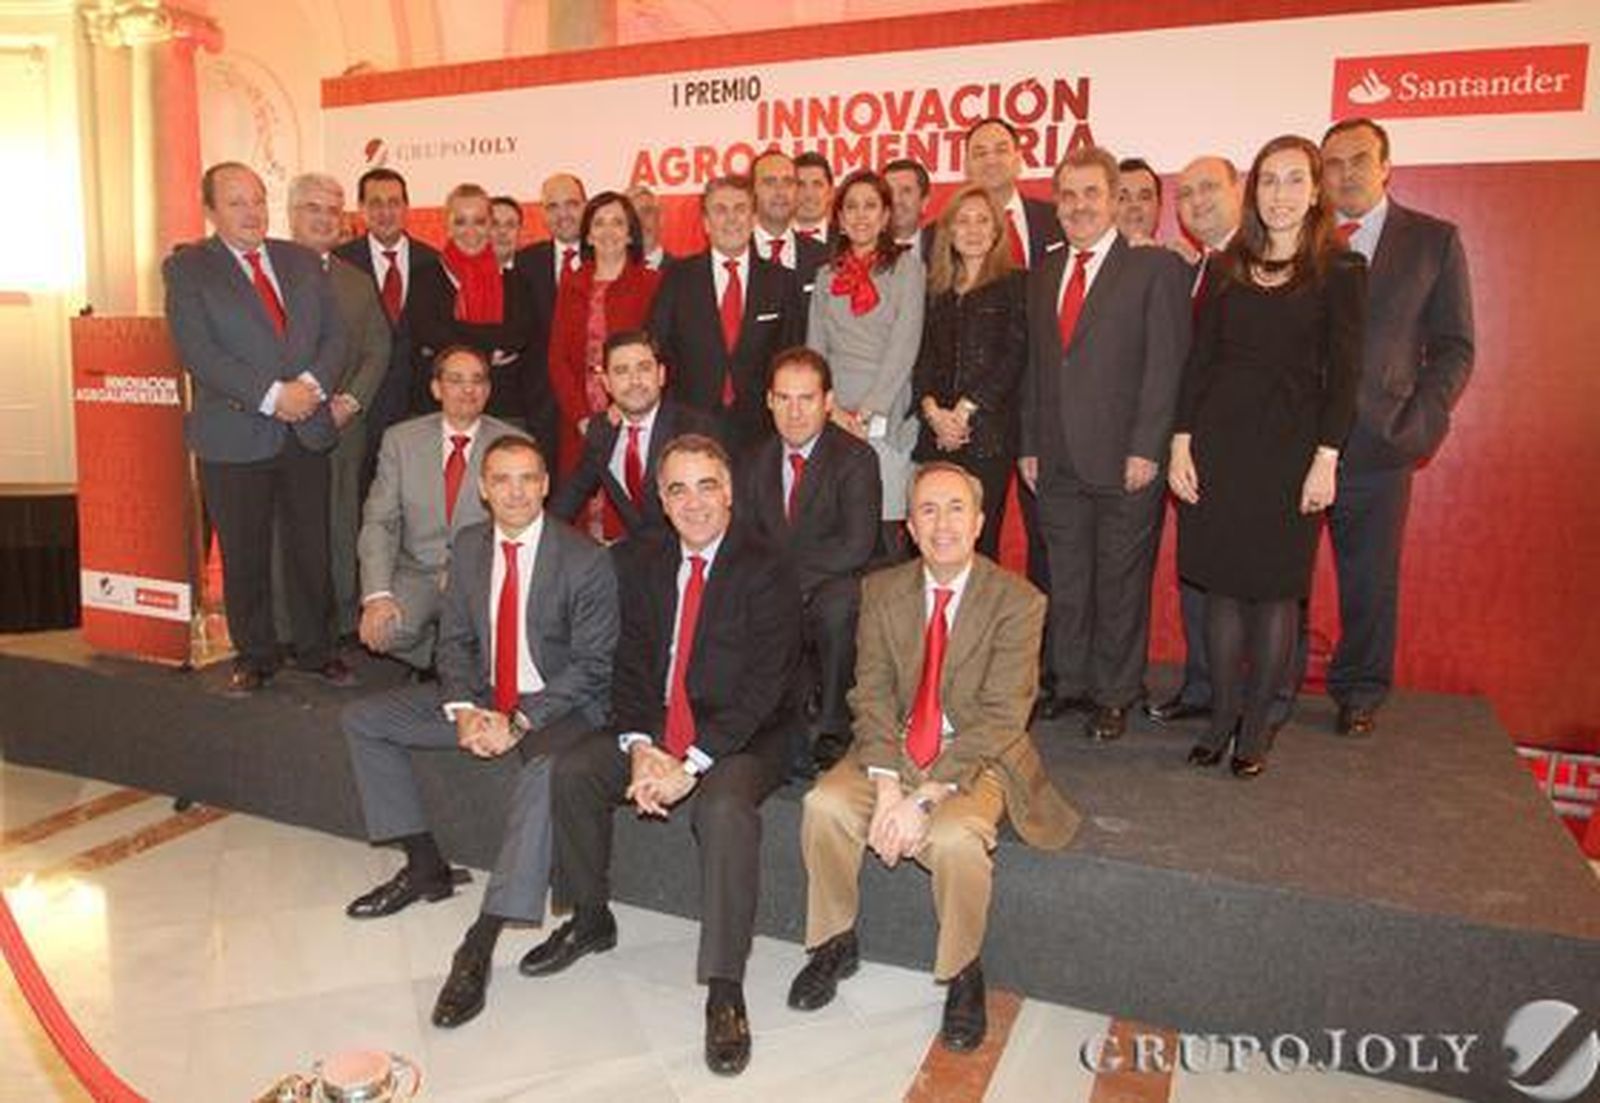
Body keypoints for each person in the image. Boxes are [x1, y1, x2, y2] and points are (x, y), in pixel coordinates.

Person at [525, 434, 802, 1077]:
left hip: (744, 734)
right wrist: (644, 747)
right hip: (661, 729)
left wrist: (692, 763)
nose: (694, 502)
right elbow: (628, 665)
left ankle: (726, 987)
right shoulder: (641, 558)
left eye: (707, 485)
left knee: (726, 809)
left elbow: (766, 686)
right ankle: (590, 917)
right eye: (678, 488)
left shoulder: (768, 564)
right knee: (572, 770)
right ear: (662, 499)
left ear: (729, 492)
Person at [787, 462, 1078, 1052]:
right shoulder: (883, 590)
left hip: (975, 754)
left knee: (952, 838)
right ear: (911, 529)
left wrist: (924, 798)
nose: (941, 524)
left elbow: (1002, 716)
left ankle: (963, 970)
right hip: (892, 746)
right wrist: (889, 786)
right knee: (824, 804)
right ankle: (834, 940)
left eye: (955, 509)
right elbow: (868, 694)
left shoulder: (1019, 601)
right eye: (927, 510)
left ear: (978, 521)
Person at [342, 434, 618, 1029]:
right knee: (365, 720)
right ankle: (423, 865)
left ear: (546, 485)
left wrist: (520, 721)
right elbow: (457, 643)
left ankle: (479, 943)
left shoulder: (586, 559)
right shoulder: (469, 548)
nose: (516, 491)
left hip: (563, 711)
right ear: (484, 490)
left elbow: (594, 668)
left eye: (528, 478)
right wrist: (465, 708)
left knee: (545, 772)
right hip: (486, 700)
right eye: (502, 480)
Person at [1169, 134, 1366, 777]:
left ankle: (1257, 727)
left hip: (1290, 454)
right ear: (1254, 192)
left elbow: (1345, 377)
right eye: (1269, 181)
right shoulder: (1229, 266)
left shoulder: (1341, 270)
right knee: (1221, 591)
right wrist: (1180, 441)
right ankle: (1222, 717)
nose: (1280, 194)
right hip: (1220, 449)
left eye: (1293, 180)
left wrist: (1327, 458)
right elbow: (1200, 365)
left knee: (1275, 596)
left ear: (1315, 191)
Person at [1019, 146, 1190, 742]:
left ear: (1116, 199)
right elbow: (1038, 368)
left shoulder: (1155, 269)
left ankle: (1115, 693)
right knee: (1066, 576)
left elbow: (1165, 368)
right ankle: (1069, 683)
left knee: (1119, 580)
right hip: (1056, 456)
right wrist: (1029, 444)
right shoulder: (1043, 273)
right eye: (1068, 195)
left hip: (1125, 458)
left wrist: (1148, 447)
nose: (1079, 206)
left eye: (1092, 193)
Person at [163, 161, 350, 695]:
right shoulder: (189, 268)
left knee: (310, 548)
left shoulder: (300, 260)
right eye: (236, 202)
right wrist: (273, 397)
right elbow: (198, 351)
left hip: (304, 430)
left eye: (257, 199)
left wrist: (311, 387)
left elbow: (336, 336)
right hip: (236, 433)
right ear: (211, 211)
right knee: (244, 554)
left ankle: (317, 650)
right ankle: (256, 655)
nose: (251, 212)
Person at [1318, 118, 1475, 738]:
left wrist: (1421, 417)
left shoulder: (1432, 241)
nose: (1346, 173)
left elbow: (1456, 345)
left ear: (1386, 166)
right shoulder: (1302, 240)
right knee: (1279, 579)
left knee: (1369, 578)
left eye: (1359, 159)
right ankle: (1270, 685)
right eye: (1333, 163)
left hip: (1378, 443)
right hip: (1293, 442)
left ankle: (1360, 688)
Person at [736, 347, 881, 774]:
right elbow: (744, 538)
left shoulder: (856, 458)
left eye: (806, 399)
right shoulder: (752, 461)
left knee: (836, 608)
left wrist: (785, 582)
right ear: (769, 401)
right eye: (784, 398)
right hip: (779, 582)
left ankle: (833, 728)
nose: (794, 412)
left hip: (839, 578)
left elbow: (856, 545)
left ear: (828, 402)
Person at [963, 116, 1063, 703]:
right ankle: (974, 663)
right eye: (980, 152)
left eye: (1002, 149)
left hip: (1049, 409)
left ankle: (1046, 667)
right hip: (983, 423)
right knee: (981, 539)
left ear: (1020, 157)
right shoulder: (942, 234)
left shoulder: (1054, 220)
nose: (992, 159)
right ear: (969, 164)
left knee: (1051, 543)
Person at [1146, 155, 1246, 727]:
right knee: (1198, 573)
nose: (1197, 201)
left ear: (1238, 191)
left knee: (1247, 581)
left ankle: (1251, 702)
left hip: (1240, 448)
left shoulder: (1258, 264)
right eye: (1184, 194)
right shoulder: (1196, 267)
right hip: (1191, 448)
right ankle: (1205, 686)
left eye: (1209, 188)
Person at [357, 347, 519, 670]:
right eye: (455, 380)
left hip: (480, 574)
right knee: (385, 631)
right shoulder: (400, 441)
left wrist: (465, 572)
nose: (468, 390)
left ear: (488, 390)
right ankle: (437, 657)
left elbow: (519, 525)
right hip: (416, 571)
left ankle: (456, 658)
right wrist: (377, 596)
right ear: (436, 388)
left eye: (477, 381)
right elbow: (380, 521)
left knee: (498, 641)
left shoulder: (513, 444)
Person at [286, 172, 392, 640]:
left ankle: (340, 624)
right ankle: (288, 628)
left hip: (341, 428)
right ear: (291, 215)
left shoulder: (356, 283)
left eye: (333, 210)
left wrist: (350, 402)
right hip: (278, 428)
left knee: (340, 523)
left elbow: (378, 348)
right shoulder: (265, 273)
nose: (325, 218)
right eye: (314, 208)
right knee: (284, 531)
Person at [806, 170, 927, 553]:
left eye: (871, 206)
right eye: (851, 207)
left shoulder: (909, 269)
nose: (861, 215)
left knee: (886, 529)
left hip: (886, 409)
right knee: (839, 527)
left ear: (886, 215)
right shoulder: (826, 277)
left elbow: (904, 347)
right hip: (834, 410)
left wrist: (868, 413)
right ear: (839, 218)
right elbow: (815, 351)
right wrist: (832, 410)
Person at [913, 184, 1027, 560]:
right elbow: (924, 360)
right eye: (963, 221)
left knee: (980, 541)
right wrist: (934, 414)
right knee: (934, 542)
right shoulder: (936, 290)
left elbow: (1014, 356)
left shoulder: (1016, 284)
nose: (974, 229)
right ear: (949, 231)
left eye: (983, 220)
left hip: (987, 437)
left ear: (997, 230)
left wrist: (963, 411)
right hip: (937, 436)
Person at [650, 175, 804, 451]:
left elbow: (793, 354)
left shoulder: (781, 281)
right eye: (720, 210)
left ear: (753, 218)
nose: (731, 219)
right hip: (691, 426)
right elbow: (658, 347)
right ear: (706, 223)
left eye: (740, 209)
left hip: (763, 428)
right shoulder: (677, 278)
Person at [546, 192, 662, 501]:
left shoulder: (652, 283)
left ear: (629, 233)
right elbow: (557, 358)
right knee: (579, 503)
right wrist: (582, 417)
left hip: (633, 412)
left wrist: (623, 408)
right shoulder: (570, 282)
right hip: (578, 418)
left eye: (617, 223)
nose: (608, 231)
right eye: (599, 223)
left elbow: (659, 352)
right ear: (588, 234)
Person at [548, 328, 714, 539]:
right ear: (606, 383)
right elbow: (572, 495)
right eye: (621, 371)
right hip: (639, 555)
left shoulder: (695, 430)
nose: (634, 380)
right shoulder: (601, 431)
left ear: (661, 375)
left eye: (643, 368)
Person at [334, 168, 440, 477]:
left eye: (394, 202)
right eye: (375, 203)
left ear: (406, 208)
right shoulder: (340, 261)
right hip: (358, 409)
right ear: (362, 209)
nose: (385, 211)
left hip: (418, 406)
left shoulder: (434, 261)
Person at [407, 183, 538, 428]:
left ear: (490, 224)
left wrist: (455, 333)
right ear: (447, 225)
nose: (471, 231)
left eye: (479, 221)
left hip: (502, 407)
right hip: (436, 409)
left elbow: (515, 336)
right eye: (461, 221)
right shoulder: (424, 276)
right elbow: (429, 331)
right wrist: (491, 351)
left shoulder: (516, 281)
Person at [511, 172, 588, 473]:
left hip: (590, 398)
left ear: (585, 206)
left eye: (571, 204)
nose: (563, 214)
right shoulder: (524, 263)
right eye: (553, 206)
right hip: (539, 401)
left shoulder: (606, 258)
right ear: (542, 213)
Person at [751, 149, 828, 296]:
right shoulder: (735, 257)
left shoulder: (824, 257)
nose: (780, 192)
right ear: (752, 190)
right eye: (769, 182)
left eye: (788, 182)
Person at [883, 156, 935, 261]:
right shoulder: (864, 251)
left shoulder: (943, 249)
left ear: (924, 201)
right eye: (889, 191)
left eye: (906, 191)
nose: (896, 200)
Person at [626, 183, 674, 270]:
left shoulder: (684, 272)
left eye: (646, 211)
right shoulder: (611, 274)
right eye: (633, 216)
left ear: (661, 218)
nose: (640, 221)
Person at [1116, 157, 1163, 243]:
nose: (1134, 205)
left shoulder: (1174, 255)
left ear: (1159, 206)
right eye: (1122, 198)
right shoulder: (1090, 255)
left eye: (1144, 197)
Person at [793, 152, 835, 243]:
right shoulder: (773, 242)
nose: (809, 194)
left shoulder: (849, 243)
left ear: (831, 192)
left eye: (817, 185)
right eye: (800, 185)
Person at [488, 195, 524, 269]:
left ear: (519, 231)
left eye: (510, 225)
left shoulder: (534, 271)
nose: (502, 231)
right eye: (494, 224)